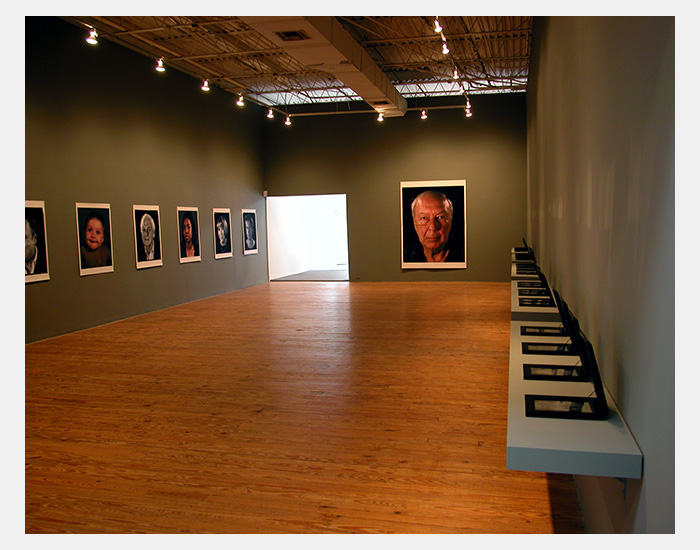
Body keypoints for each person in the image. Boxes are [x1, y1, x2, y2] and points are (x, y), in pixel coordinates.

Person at [405, 190, 463, 263]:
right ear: (415, 224)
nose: (433, 227)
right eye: (424, 218)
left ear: (450, 222)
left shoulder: (467, 255)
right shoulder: (404, 254)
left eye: (441, 217)